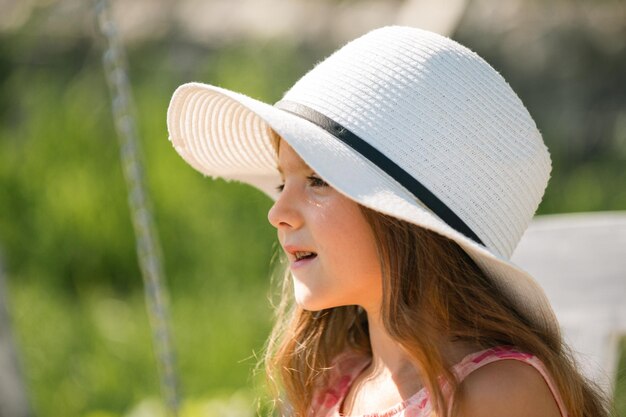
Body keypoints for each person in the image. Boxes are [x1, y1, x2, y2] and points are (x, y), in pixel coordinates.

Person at [166, 26, 612, 417]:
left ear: (405, 222)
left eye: (318, 180)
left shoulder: (495, 394)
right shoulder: (335, 383)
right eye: (284, 183)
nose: (277, 213)